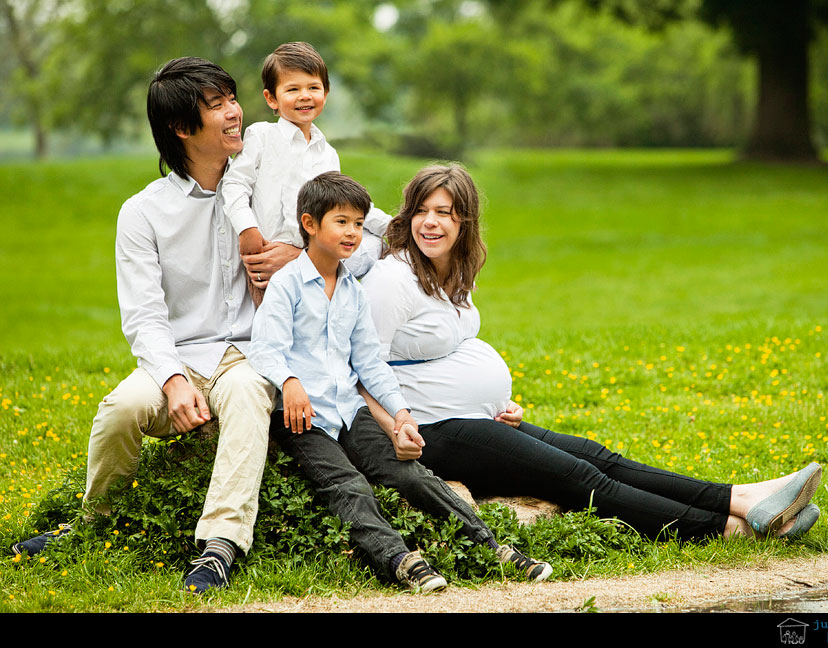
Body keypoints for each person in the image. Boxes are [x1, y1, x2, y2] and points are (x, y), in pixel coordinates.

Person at [360, 164, 822, 542]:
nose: (430, 222)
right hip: (431, 433)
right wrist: (398, 427)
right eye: (421, 211)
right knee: (582, 478)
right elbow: (364, 369)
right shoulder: (392, 279)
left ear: (465, 222)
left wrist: (492, 400)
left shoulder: (451, 274)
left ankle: (743, 497)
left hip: (474, 419)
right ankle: (728, 529)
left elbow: (448, 353)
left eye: (444, 212)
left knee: (598, 457)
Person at [12, 58, 277, 594]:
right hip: (179, 355)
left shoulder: (270, 187)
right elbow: (143, 313)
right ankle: (91, 524)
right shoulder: (143, 212)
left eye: (232, 98)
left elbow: (351, 232)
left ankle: (221, 546)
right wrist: (173, 380)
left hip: (254, 353)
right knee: (121, 409)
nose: (235, 113)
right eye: (217, 105)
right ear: (182, 129)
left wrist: (292, 255)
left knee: (248, 392)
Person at [248, 171, 552, 591]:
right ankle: (399, 560)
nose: (353, 233)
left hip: (350, 411)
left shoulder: (353, 290)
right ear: (309, 224)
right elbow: (264, 348)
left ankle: (491, 547)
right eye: (341, 222)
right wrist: (291, 382)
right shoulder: (287, 285)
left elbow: (371, 363)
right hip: (305, 417)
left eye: (359, 223)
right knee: (346, 484)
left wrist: (400, 414)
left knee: (410, 472)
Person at [221, 41, 389, 306]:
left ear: (326, 92)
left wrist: (391, 226)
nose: (305, 96)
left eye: (313, 87)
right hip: (268, 263)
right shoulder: (262, 136)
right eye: (293, 89)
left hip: (313, 262)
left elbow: (344, 205)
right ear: (272, 98)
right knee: (276, 327)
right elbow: (234, 185)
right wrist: (247, 228)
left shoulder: (327, 153)